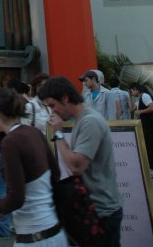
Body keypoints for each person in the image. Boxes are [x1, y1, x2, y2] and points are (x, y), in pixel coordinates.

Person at [38, 76, 123, 247]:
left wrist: (58, 134)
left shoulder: (89, 121)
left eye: (53, 105)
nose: (52, 112)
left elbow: (76, 166)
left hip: (101, 211)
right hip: (93, 208)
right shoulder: (83, 119)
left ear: (65, 98)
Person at [0, 87, 67, 246]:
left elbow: (17, 197)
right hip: (55, 231)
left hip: (33, 236)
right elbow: (55, 173)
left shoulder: (9, 142)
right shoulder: (33, 132)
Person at [129, 83, 153, 177]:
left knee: (149, 146)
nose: (131, 93)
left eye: (131, 91)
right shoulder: (138, 99)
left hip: (149, 124)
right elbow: (131, 110)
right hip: (144, 125)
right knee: (147, 145)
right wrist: (129, 97)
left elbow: (152, 108)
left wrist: (140, 111)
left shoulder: (145, 96)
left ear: (136, 89)